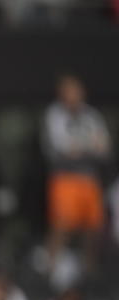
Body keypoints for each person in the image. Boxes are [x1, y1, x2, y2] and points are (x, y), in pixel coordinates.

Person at [42, 74, 113, 276]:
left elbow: (104, 147)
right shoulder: (54, 115)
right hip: (65, 177)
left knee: (93, 228)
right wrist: (89, 146)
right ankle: (51, 270)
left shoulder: (92, 116)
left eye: (76, 91)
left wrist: (83, 148)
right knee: (61, 225)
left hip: (89, 178)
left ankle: (89, 272)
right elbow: (63, 147)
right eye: (68, 92)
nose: (73, 96)